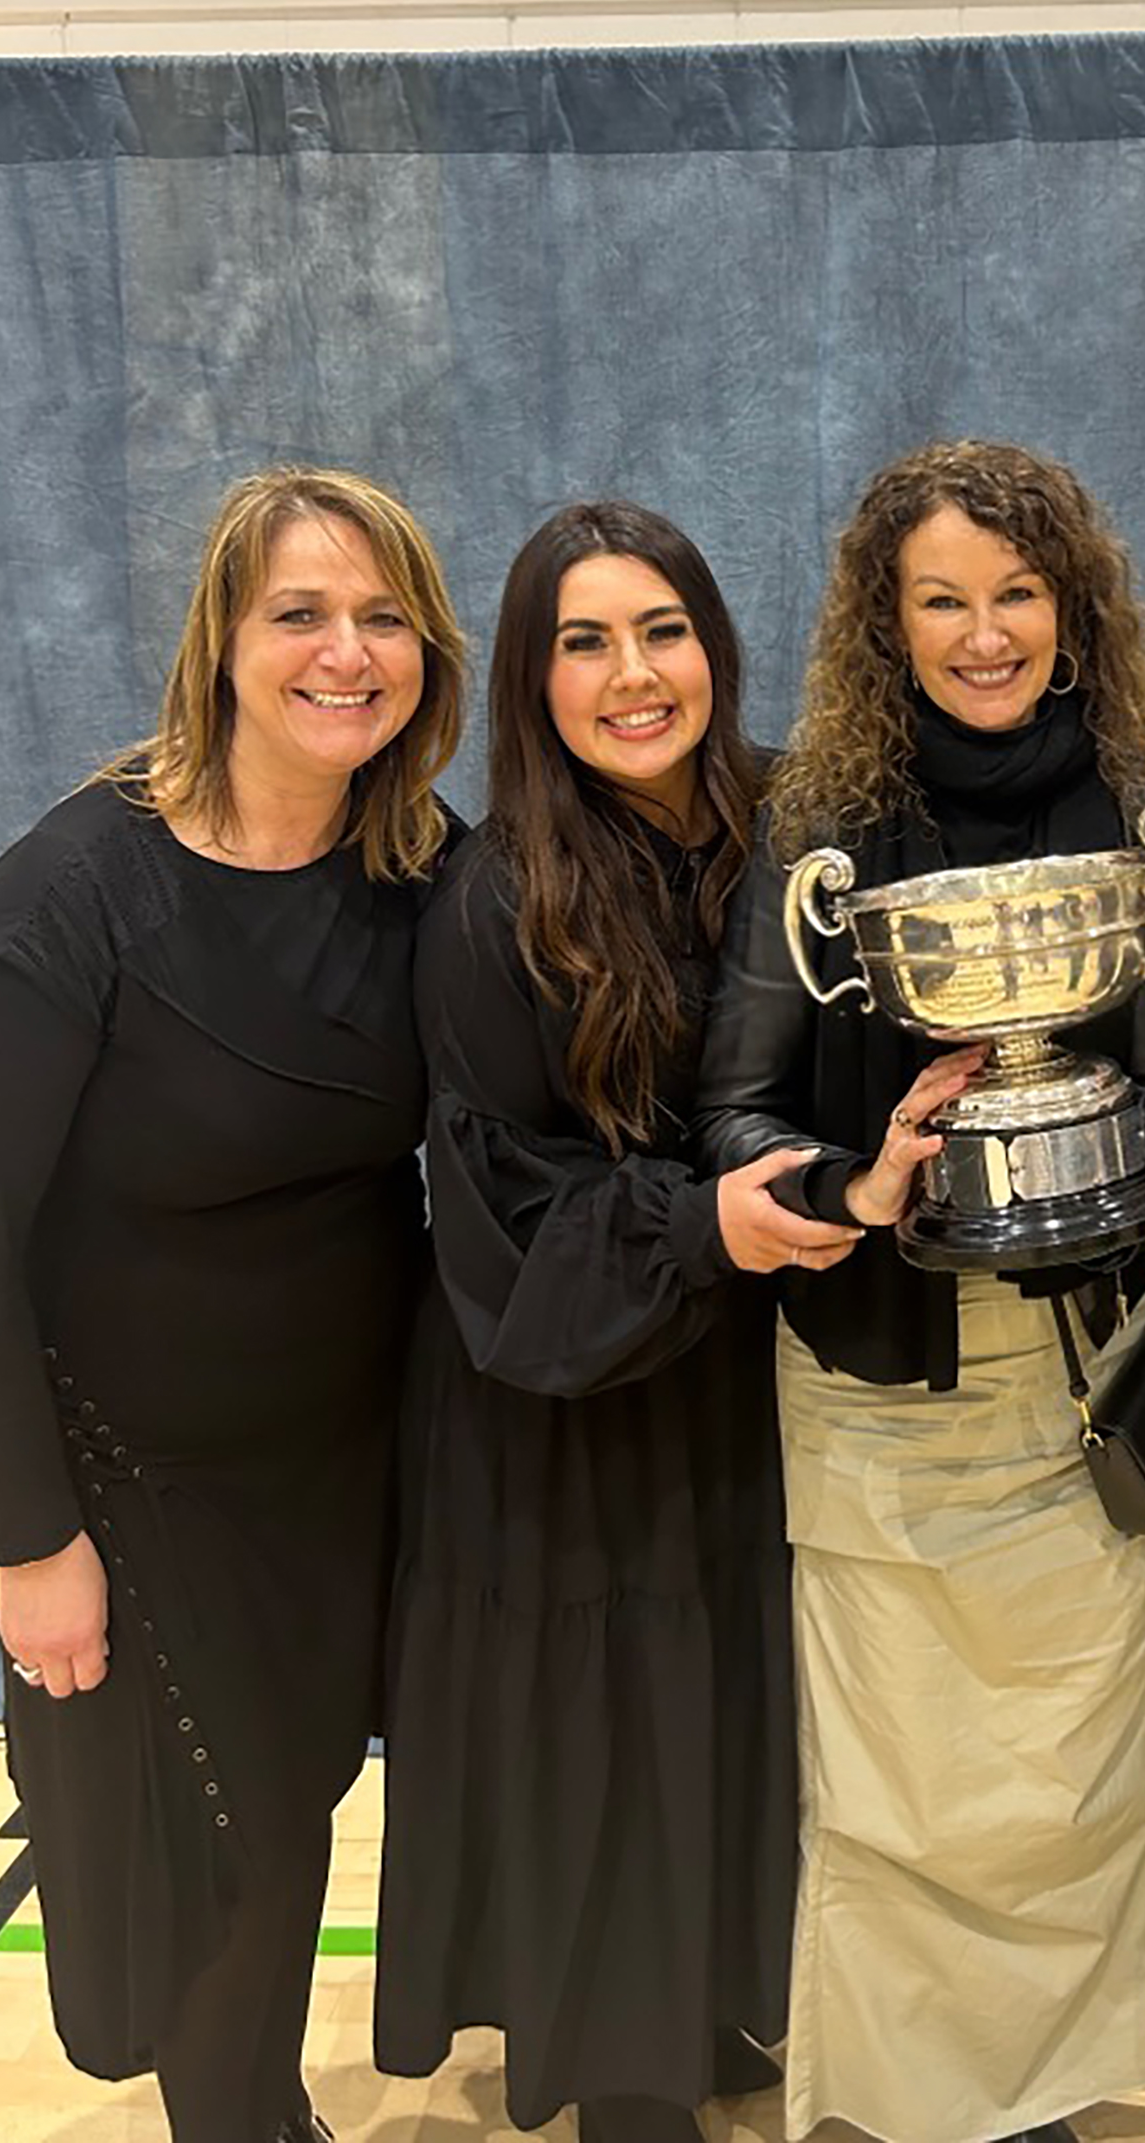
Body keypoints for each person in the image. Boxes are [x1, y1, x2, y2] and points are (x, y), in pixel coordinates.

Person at [692, 439, 1145, 2143]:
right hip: (878, 1379)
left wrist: (1081, 1146)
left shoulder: (1136, 803)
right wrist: (871, 1184)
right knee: (906, 1795)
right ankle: (913, 2109)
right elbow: (736, 1106)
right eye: (942, 601)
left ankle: (1045, 2092)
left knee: (1072, 1786)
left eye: (1013, 595)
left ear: (1068, 613)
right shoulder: (822, 827)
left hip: (1084, 1374)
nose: (981, 633)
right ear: (885, 620)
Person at [0, 465, 465, 2143]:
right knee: (210, 1861)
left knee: (294, 1817)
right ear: (223, 640)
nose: (348, 652)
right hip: (132, 1484)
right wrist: (28, 1539)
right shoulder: (75, 891)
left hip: (337, 1479)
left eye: (383, 616)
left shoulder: (420, 870)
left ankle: (259, 2111)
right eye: (301, 614)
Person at [375, 503, 845, 2143]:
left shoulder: (797, 834)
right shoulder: (495, 896)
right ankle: (622, 2082)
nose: (633, 674)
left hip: (742, 1384)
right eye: (585, 641)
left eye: (662, 630)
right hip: (569, 1394)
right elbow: (505, 1204)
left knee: (734, 1698)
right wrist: (701, 1224)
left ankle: (720, 2009)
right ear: (530, 678)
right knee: (613, 1735)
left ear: (713, 644)